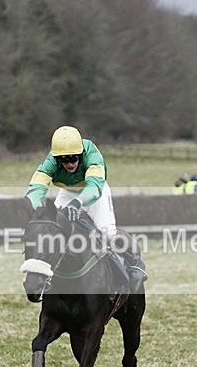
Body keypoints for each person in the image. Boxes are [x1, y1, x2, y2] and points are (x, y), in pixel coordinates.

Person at [25, 125, 147, 292]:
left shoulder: (91, 153)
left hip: (95, 190)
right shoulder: (50, 161)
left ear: (81, 154)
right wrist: (37, 207)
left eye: (73, 158)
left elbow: (94, 186)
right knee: (52, 230)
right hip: (68, 191)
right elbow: (36, 186)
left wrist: (77, 203)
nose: (69, 163)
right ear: (56, 158)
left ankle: (135, 263)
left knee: (107, 233)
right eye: (63, 160)